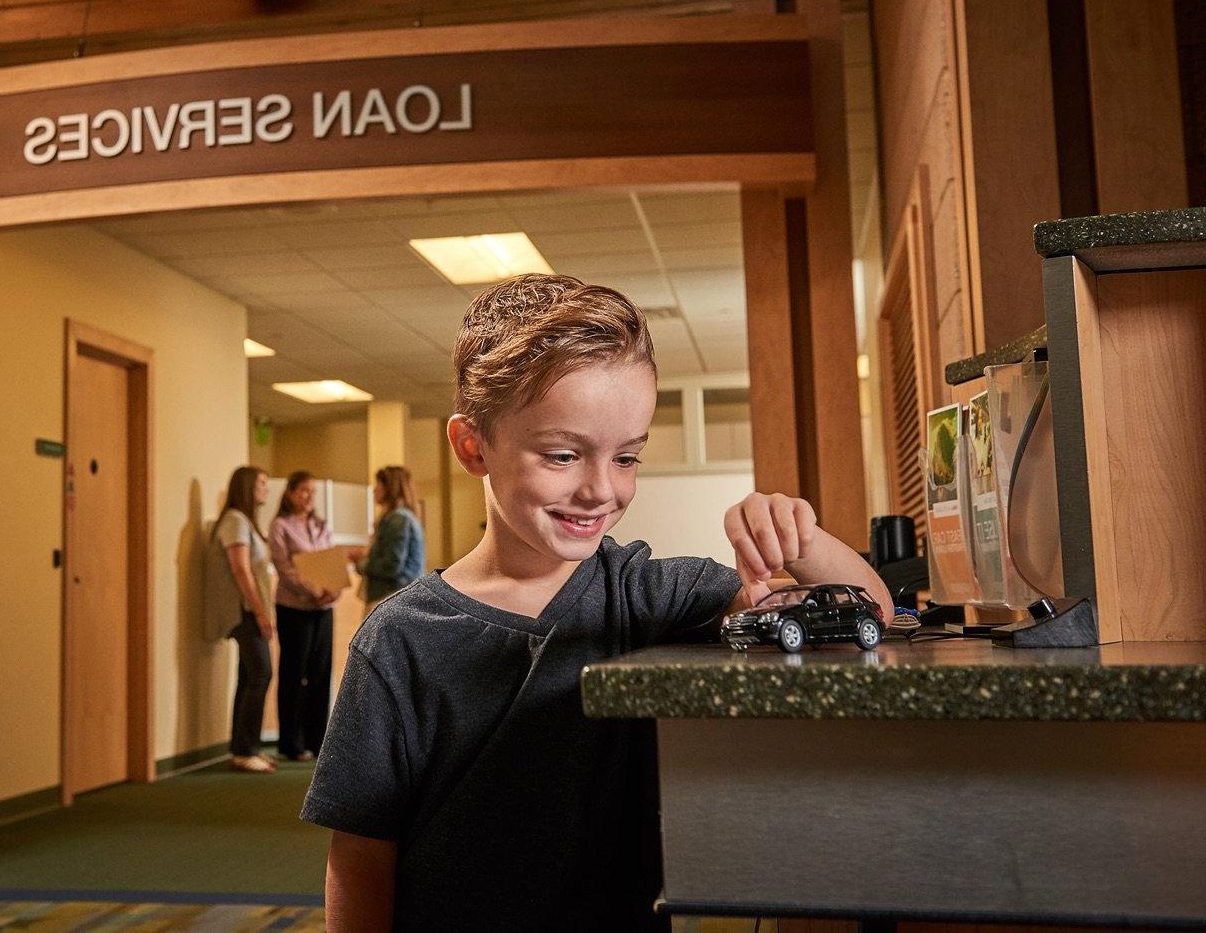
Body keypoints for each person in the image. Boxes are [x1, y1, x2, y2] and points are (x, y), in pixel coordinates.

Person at [301, 275, 893, 931]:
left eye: (628, 458)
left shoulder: (650, 595)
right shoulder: (400, 638)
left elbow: (871, 611)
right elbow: (359, 855)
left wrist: (795, 533)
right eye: (562, 455)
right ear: (474, 446)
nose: (600, 489)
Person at [209, 465, 279, 774]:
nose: (266, 488)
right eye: (262, 483)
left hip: (252, 610)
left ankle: (242, 749)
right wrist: (261, 613)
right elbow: (241, 570)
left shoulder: (245, 522)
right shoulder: (236, 520)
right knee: (261, 674)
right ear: (248, 487)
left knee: (249, 677)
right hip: (245, 611)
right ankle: (245, 748)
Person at [267, 471, 339, 762]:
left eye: (313, 492)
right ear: (290, 493)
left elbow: (332, 563)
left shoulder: (321, 526)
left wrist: (333, 591)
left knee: (322, 673)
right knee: (294, 674)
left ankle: (318, 740)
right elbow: (285, 569)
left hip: (323, 609)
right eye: (304, 492)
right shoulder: (280, 526)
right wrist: (312, 590)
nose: (309, 497)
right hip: (293, 608)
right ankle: (292, 743)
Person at [351, 466, 425, 614]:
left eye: (378, 485)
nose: (374, 490)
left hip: (391, 597)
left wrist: (362, 563)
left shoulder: (397, 519)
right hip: (395, 597)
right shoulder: (400, 518)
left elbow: (391, 565)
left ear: (389, 488)